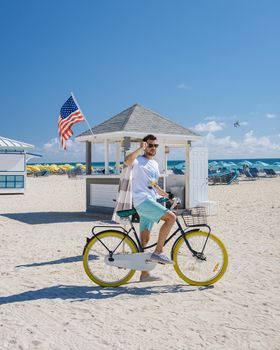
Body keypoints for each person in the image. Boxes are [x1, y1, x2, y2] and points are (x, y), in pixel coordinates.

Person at [124, 134, 176, 282]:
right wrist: (140, 148)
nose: (153, 148)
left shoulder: (155, 164)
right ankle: (159, 251)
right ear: (145, 145)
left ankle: (144, 274)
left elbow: (152, 185)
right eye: (150, 145)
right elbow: (127, 161)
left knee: (144, 240)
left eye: (155, 146)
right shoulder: (138, 160)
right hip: (142, 201)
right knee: (171, 218)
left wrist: (167, 195)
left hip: (150, 200)